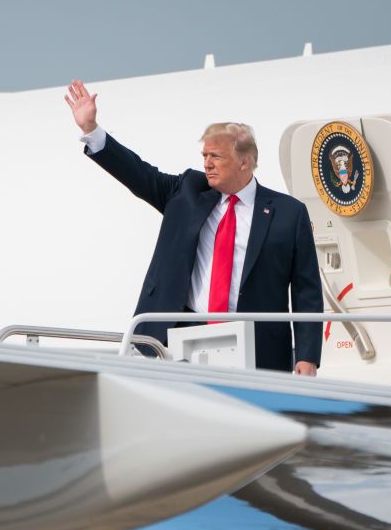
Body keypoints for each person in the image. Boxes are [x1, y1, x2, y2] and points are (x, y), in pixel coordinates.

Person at [64, 80, 321, 375]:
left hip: (256, 343)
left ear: (245, 162)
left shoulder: (289, 213)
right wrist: (92, 130)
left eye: (216, 157)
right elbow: (138, 174)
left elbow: (307, 291)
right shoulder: (187, 192)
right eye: (205, 156)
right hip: (182, 335)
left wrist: (307, 355)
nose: (207, 164)